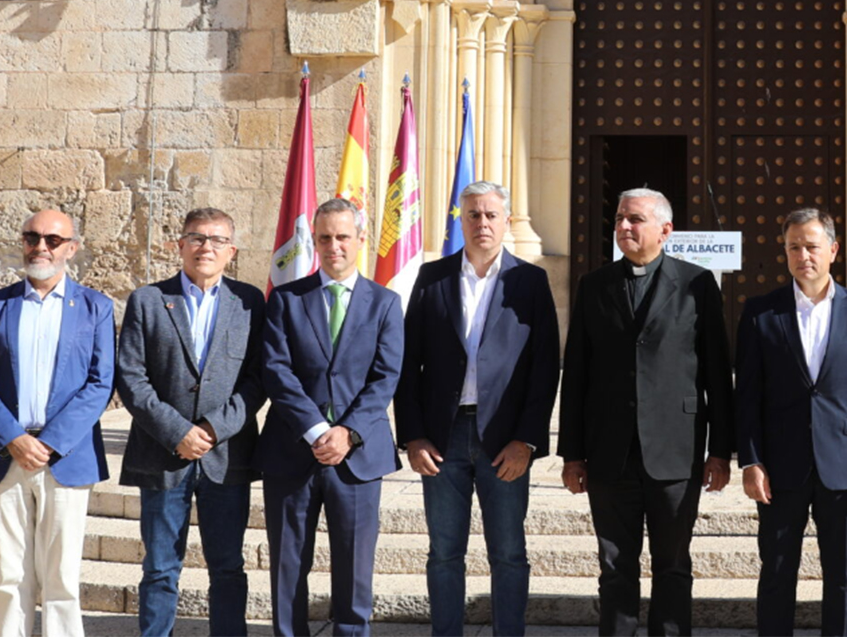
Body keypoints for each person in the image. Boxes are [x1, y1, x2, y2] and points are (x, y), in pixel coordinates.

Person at [558, 187, 735, 636]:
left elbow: (717, 374)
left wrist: (720, 451)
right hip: (609, 451)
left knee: (672, 564)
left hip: (675, 449)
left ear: (665, 230)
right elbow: (576, 374)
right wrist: (572, 454)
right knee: (615, 565)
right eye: (620, 218)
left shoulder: (697, 284)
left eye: (635, 219)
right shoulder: (594, 285)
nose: (623, 226)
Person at [396, 181, 560, 636]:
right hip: (442, 438)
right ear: (461, 220)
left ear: (506, 221)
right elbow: (408, 363)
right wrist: (412, 436)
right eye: (473, 215)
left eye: (491, 215)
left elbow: (544, 367)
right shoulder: (432, 278)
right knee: (444, 553)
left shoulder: (530, 281)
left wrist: (527, 440)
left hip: (505, 440)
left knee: (508, 553)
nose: (482, 223)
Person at [734, 208, 847, 637]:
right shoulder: (761, 312)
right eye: (794, 247)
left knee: (843, 576)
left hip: (845, 466)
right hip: (779, 466)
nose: (803, 255)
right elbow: (746, 396)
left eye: (812, 246)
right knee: (777, 572)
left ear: (833, 250)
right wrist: (750, 460)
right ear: (785, 252)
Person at [116, 206, 266, 637]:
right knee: (160, 568)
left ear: (231, 251)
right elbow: (131, 377)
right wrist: (177, 431)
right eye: (197, 238)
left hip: (227, 456)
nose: (206, 247)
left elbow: (259, 378)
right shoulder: (148, 300)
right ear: (180, 245)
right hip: (163, 455)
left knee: (228, 566)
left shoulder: (250, 303)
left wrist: (215, 429)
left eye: (217, 240)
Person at [259, 197, 403, 637]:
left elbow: (385, 378)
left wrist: (347, 433)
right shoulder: (286, 299)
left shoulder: (385, 303)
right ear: (314, 242)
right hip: (292, 451)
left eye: (342, 236)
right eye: (324, 238)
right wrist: (318, 430)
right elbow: (276, 370)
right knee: (287, 567)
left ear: (360, 239)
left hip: (358, 457)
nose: (334, 246)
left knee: (355, 569)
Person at [0, 210, 117, 637]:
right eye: (32, 237)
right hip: (5, 454)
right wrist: (13, 437)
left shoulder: (95, 307)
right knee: (10, 575)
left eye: (53, 240)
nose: (41, 247)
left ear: (72, 248)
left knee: (62, 577)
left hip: (65, 457)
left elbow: (100, 382)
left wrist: (50, 442)